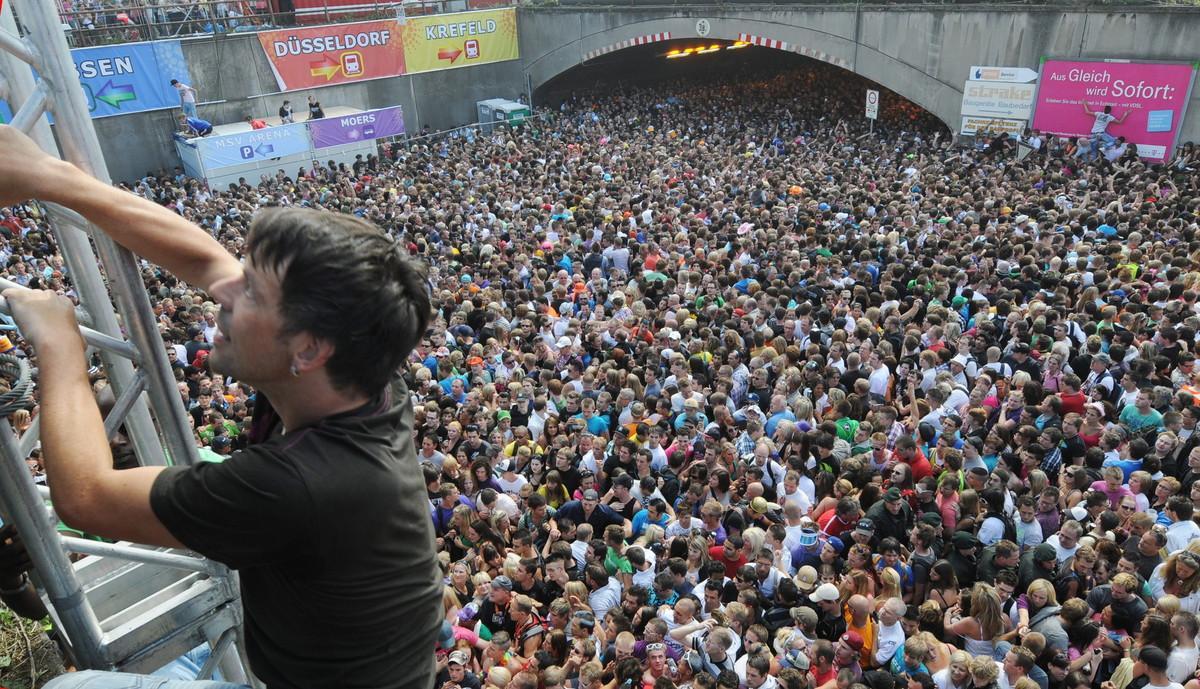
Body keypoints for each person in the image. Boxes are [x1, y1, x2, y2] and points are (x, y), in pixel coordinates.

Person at [0, 124, 441, 688]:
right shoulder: (358, 376)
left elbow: (86, 497)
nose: (225, 292)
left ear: (307, 349)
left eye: (252, 292)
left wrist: (60, 343)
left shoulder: (301, 485)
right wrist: (51, 178)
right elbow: (208, 261)